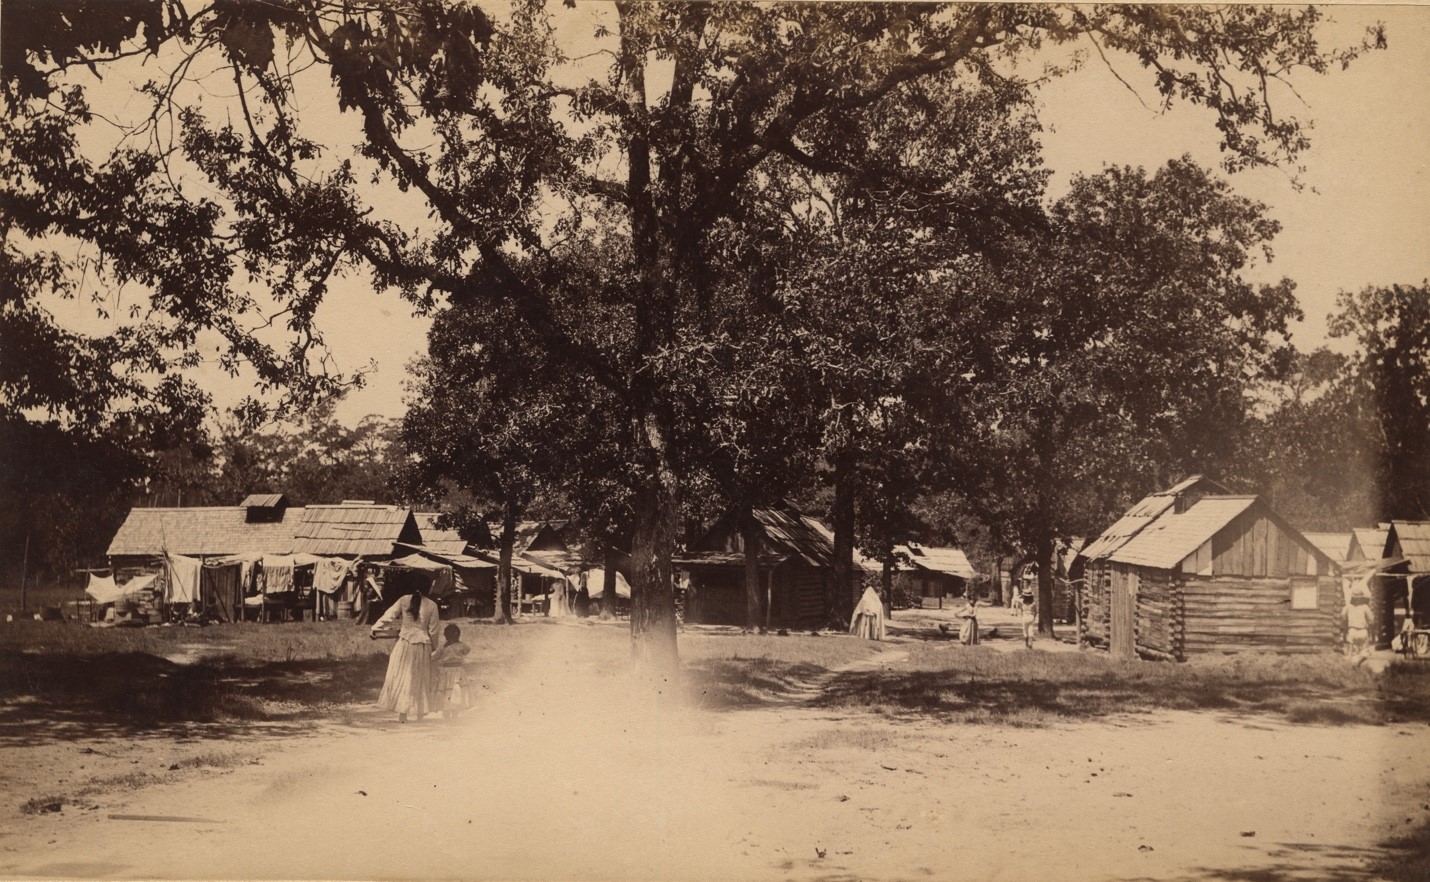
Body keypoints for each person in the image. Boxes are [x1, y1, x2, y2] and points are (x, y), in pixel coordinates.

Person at [371, 585, 441, 723]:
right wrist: (434, 647)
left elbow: (389, 615)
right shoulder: (432, 605)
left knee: (402, 676)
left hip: (404, 643)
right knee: (420, 677)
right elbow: (434, 630)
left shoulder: (404, 599)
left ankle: (403, 713)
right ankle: (420, 712)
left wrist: (376, 628)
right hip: (422, 644)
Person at [431, 623, 472, 720]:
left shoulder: (443, 647)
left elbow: (434, 656)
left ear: (446, 636)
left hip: (446, 671)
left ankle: (446, 711)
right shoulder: (461, 645)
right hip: (458, 671)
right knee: (456, 691)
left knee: (447, 691)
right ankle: (455, 712)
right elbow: (467, 650)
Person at [1344, 590, 1373, 662]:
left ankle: (1353, 666)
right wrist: (1367, 623)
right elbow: (1371, 619)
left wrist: (1347, 622)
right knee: (1364, 651)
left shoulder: (1348, 607)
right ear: (1361, 598)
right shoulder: (1365, 607)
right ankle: (1358, 663)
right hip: (1363, 631)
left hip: (1352, 631)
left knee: (1351, 653)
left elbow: (1342, 616)